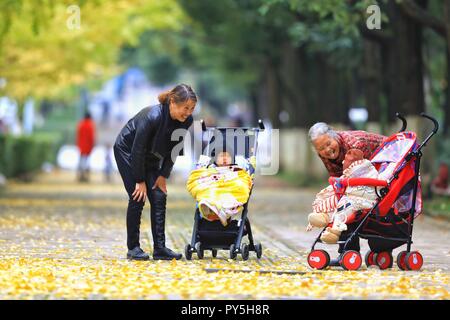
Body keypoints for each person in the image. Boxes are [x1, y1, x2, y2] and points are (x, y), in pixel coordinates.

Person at [114, 84, 196, 260]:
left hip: (150, 157)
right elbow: (137, 149)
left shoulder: (186, 121)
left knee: (159, 196)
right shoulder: (153, 116)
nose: (188, 112)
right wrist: (139, 180)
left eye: (191, 109)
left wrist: (163, 175)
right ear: (173, 102)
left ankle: (160, 248)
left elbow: (174, 150)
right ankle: (133, 248)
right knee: (138, 196)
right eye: (185, 108)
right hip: (128, 152)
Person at [308, 122, 386, 263]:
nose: (327, 150)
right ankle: (348, 251)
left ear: (335, 137)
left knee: (350, 204)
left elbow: (367, 172)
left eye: (328, 143)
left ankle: (348, 251)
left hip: (377, 167)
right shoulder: (324, 153)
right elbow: (338, 179)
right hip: (356, 179)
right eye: (321, 148)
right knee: (342, 201)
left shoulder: (356, 145)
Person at [307, 149, 382, 243]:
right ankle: (324, 216)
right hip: (351, 195)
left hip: (363, 198)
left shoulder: (365, 169)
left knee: (344, 206)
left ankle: (335, 231)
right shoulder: (349, 173)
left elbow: (367, 182)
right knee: (336, 200)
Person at [187, 151, 253, 226]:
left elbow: (244, 181)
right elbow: (197, 178)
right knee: (205, 188)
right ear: (215, 159)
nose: (225, 158)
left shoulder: (237, 170)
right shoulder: (209, 170)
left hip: (229, 192)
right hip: (213, 190)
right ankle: (212, 207)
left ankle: (220, 209)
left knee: (240, 186)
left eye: (228, 156)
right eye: (221, 156)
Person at [76, 112, 96, 182]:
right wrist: (93, 145)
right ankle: (85, 176)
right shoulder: (90, 125)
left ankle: (80, 176)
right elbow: (91, 137)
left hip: (81, 146)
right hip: (88, 147)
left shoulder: (81, 124)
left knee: (81, 161)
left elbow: (78, 136)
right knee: (86, 162)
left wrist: (78, 144)